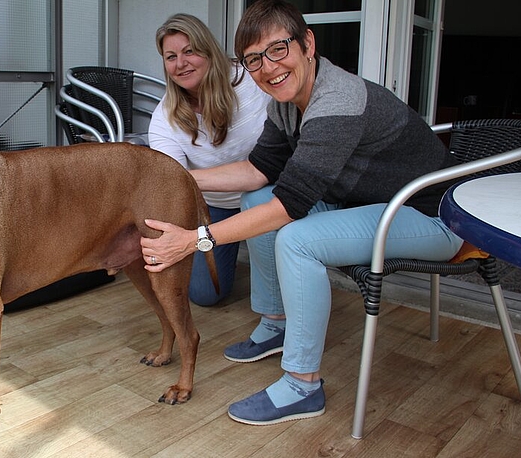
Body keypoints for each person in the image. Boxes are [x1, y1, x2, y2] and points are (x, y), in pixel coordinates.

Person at [140, 0, 464, 425]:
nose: (268, 67)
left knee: (297, 238)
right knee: (257, 199)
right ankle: (276, 324)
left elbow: (291, 206)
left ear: (307, 43)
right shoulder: (284, 102)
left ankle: (302, 384)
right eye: (254, 59)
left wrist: (194, 239)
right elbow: (259, 172)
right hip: (370, 204)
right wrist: (182, 179)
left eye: (278, 49)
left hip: (432, 216)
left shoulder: (337, 101)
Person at [148, 13, 271, 306]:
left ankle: (272, 299)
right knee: (205, 294)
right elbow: (171, 183)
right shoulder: (165, 118)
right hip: (213, 205)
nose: (181, 63)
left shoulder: (252, 84)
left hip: (267, 196)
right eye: (171, 56)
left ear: (209, 50)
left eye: (190, 51)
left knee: (279, 273)